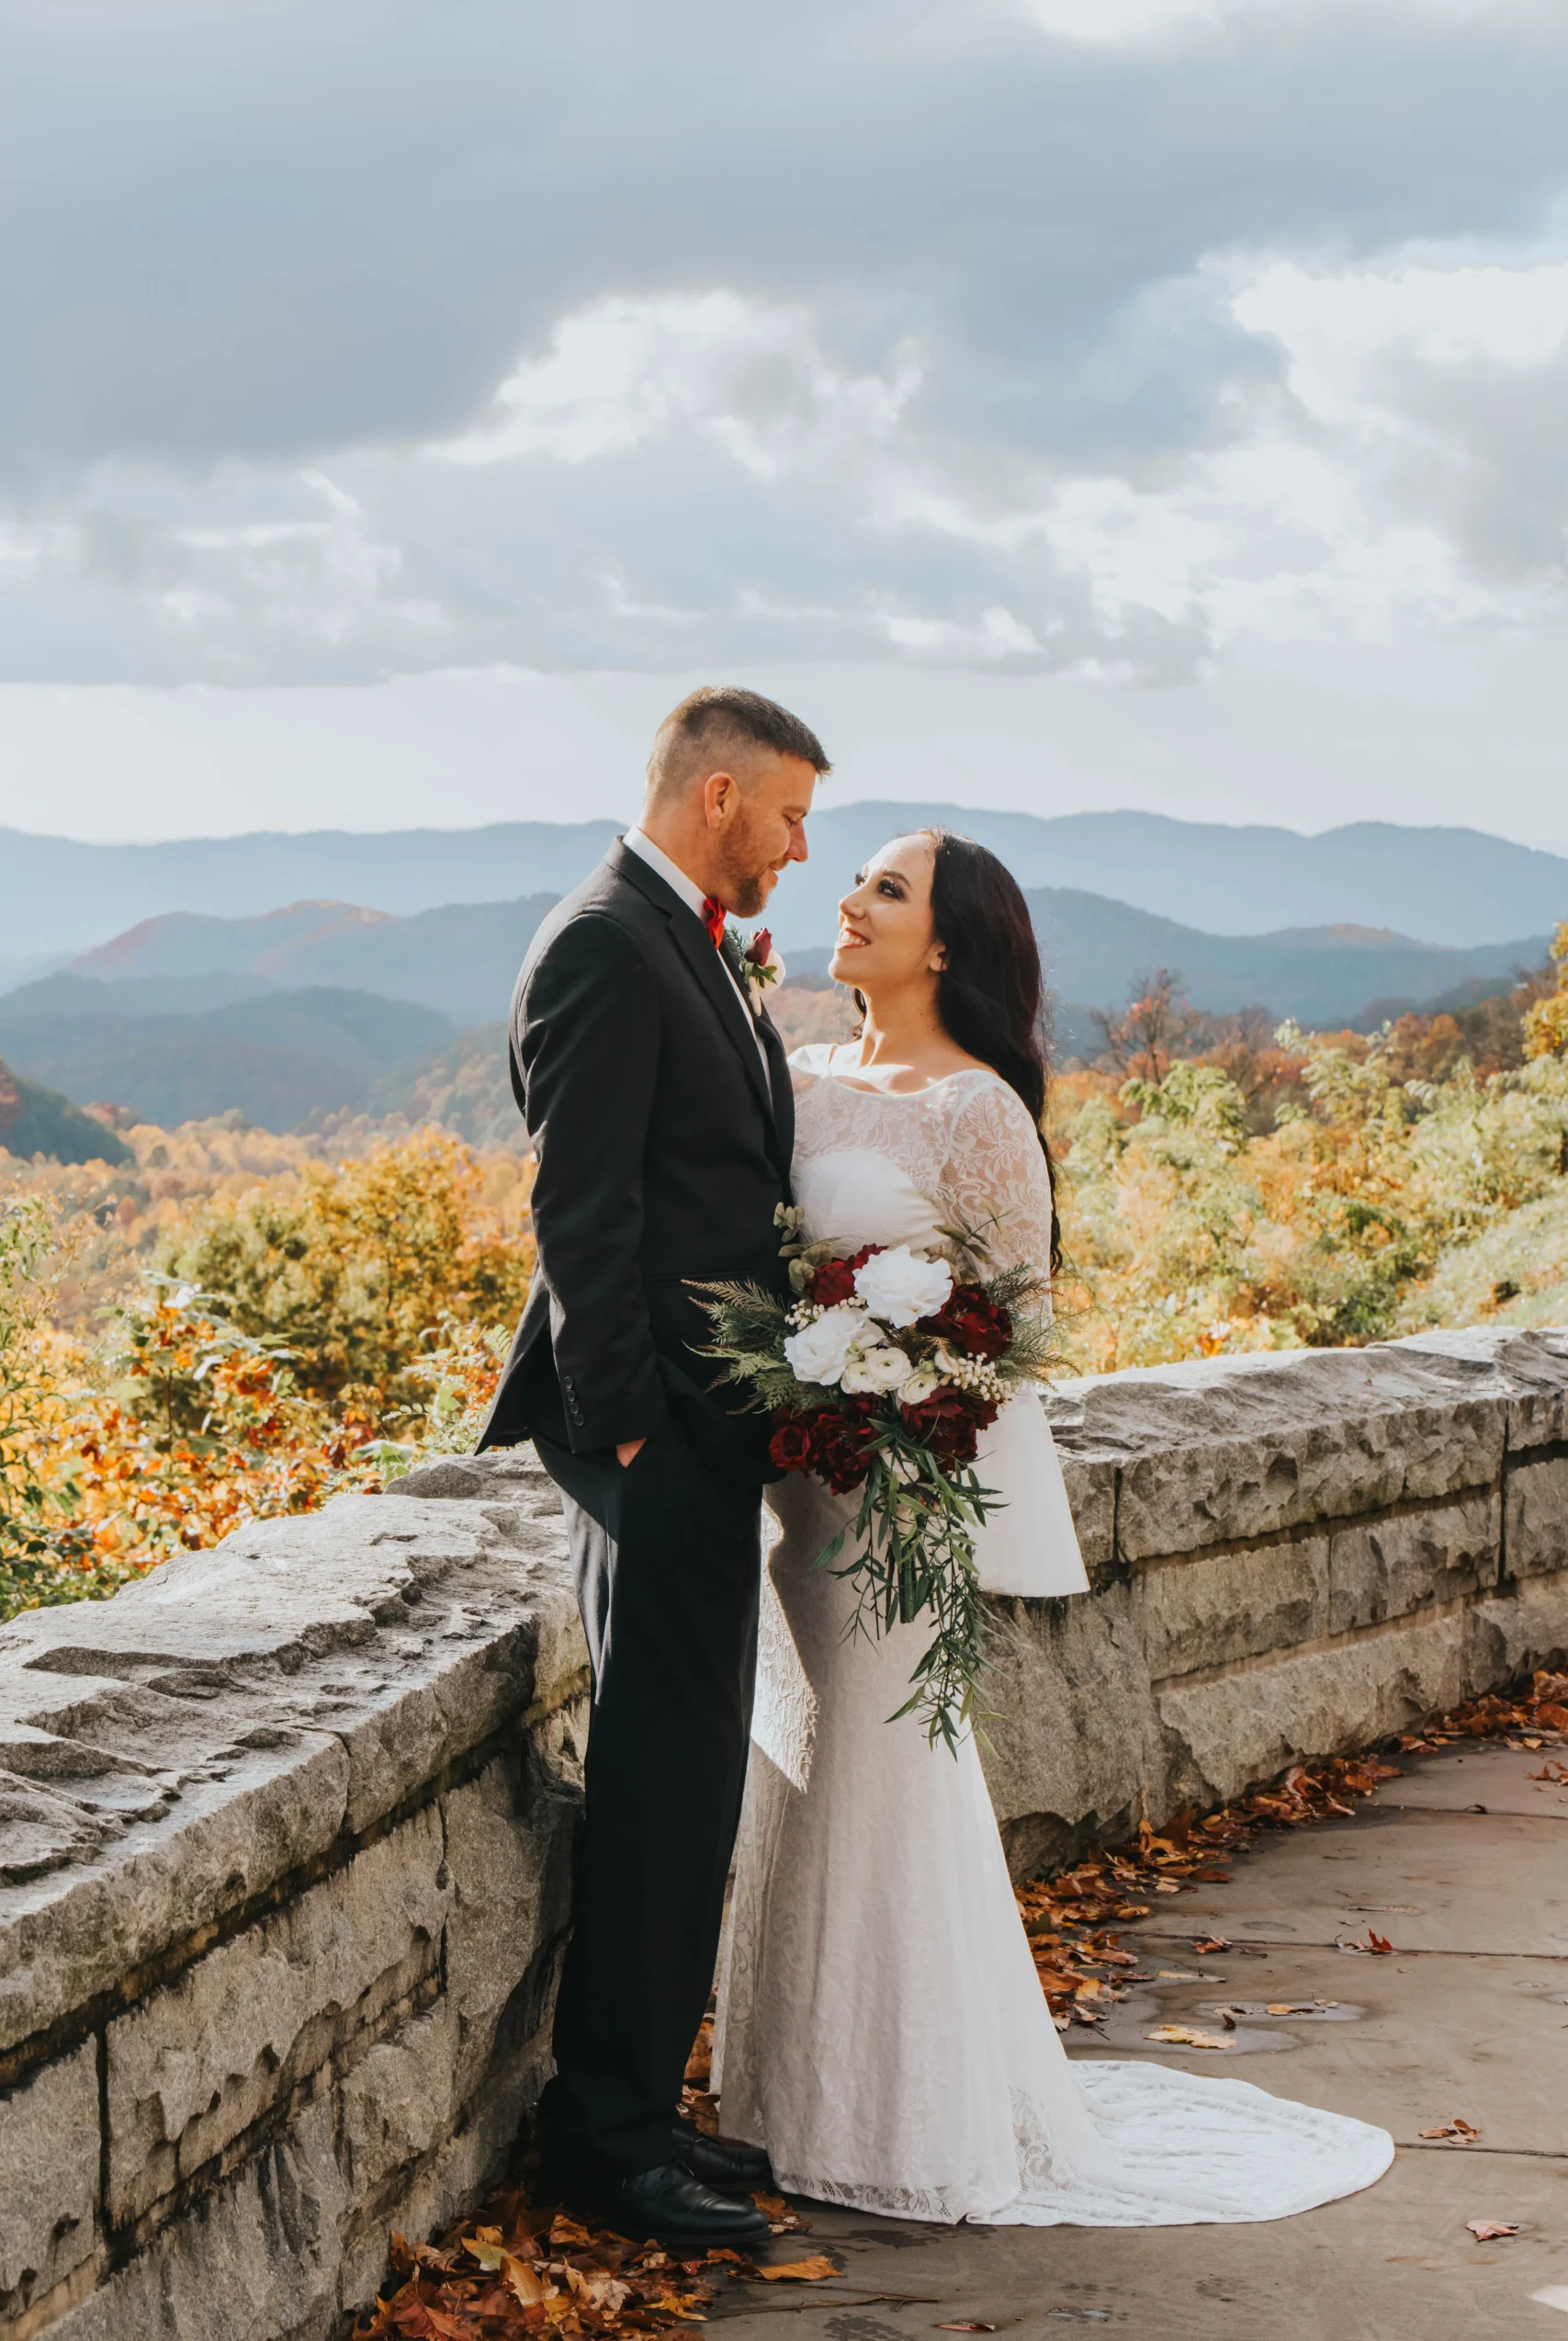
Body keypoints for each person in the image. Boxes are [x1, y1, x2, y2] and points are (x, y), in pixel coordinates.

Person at [713, 827, 1394, 2225]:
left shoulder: (976, 1111)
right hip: (792, 1488)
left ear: (947, 945)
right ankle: (783, 2101)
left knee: (880, 1774)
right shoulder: (796, 1074)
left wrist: (896, 1396)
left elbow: (1007, 1327)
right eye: (855, 880)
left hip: (894, 1496)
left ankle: (905, 2120)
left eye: (886, 891)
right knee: (795, 1771)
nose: (849, 901)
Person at [477, 685, 829, 2247]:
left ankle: (644, 2115)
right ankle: (605, 2142)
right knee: (658, 1787)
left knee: (686, 1786)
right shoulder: (605, 942)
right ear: (716, 800)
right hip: (657, 1432)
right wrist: (628, 1424)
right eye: (790, 816)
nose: (801, 849)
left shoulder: (685, 935)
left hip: (707, 1426)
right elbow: (581, 1207)